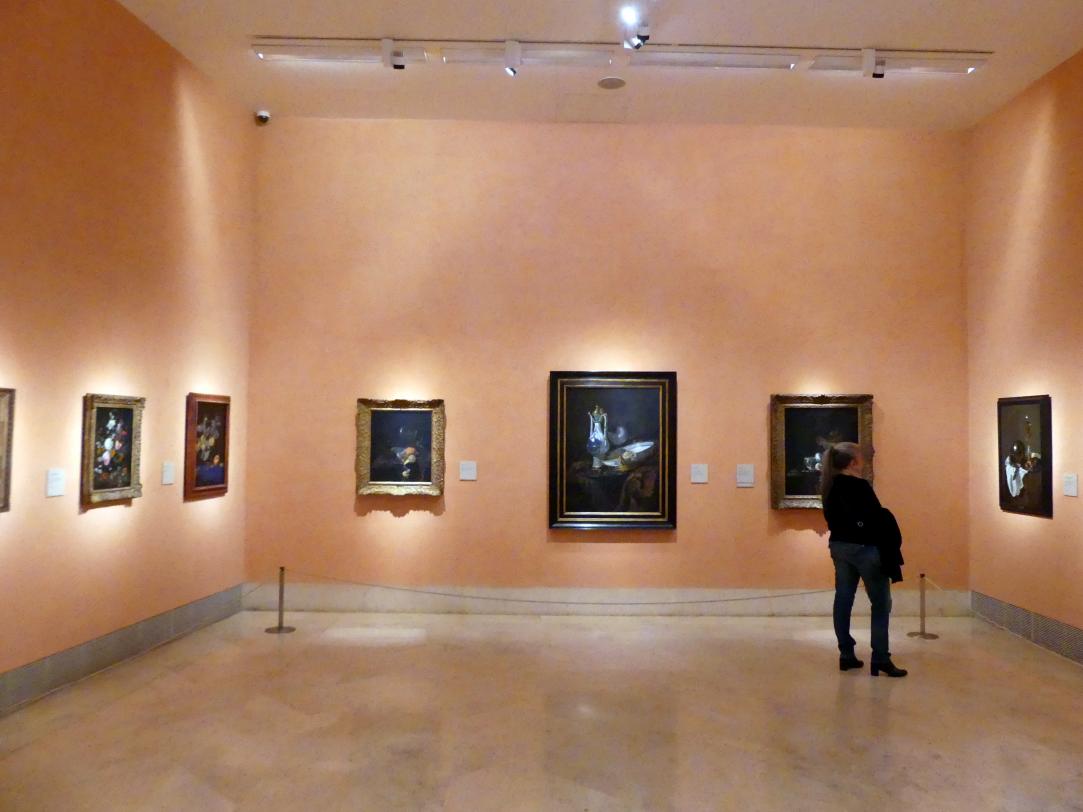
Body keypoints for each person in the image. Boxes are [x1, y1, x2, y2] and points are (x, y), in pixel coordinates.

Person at [821, 442, 907, 678]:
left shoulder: (829, 486)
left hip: (839, 547)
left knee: (843, 599)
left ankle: (846, 653)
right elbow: (875, 517)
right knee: (880, 603)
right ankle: (880, 657)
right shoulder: (859, 486)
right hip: (865, 548)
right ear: (853, 462)